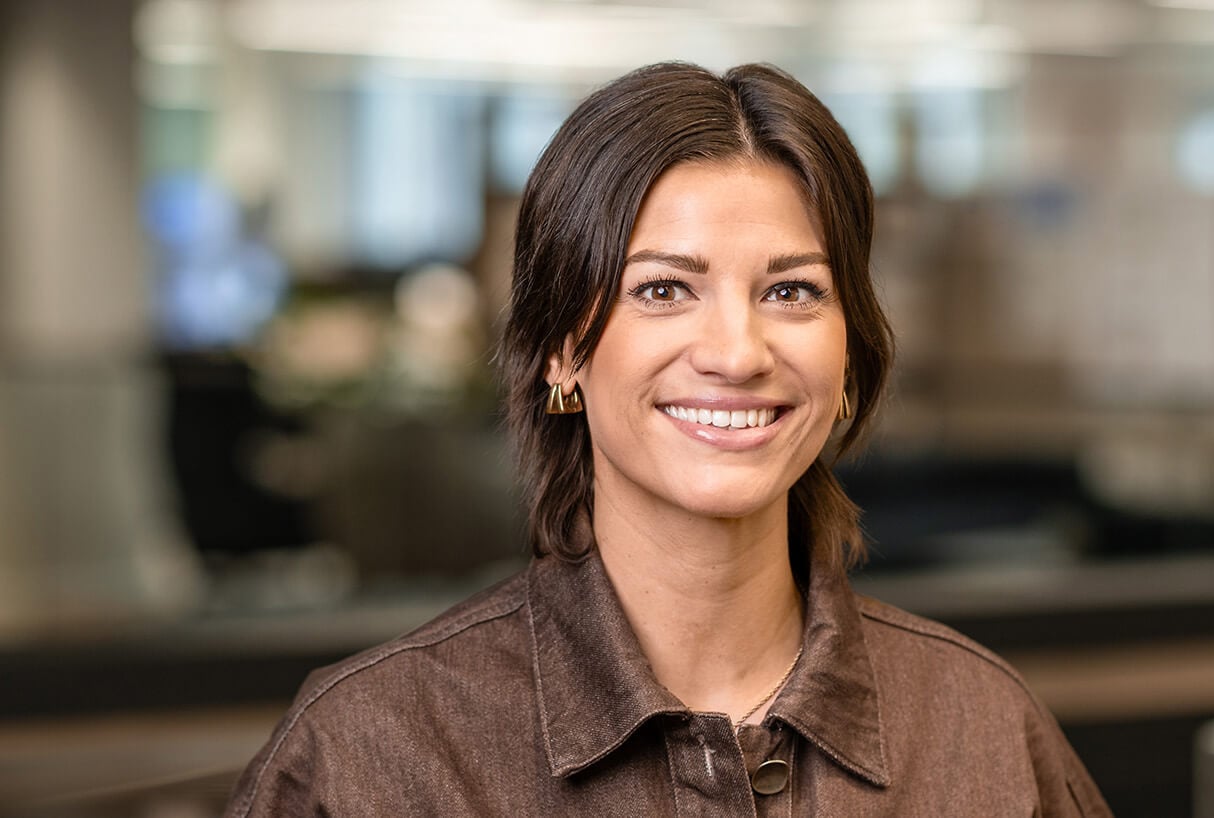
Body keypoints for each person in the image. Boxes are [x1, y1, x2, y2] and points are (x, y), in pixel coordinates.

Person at [225, 62, 1111, 817]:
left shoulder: (981, 732)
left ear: (850, 354)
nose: (736, 352)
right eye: (662, 290)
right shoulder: (380, 753)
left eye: (793, 291)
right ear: (565, 349)